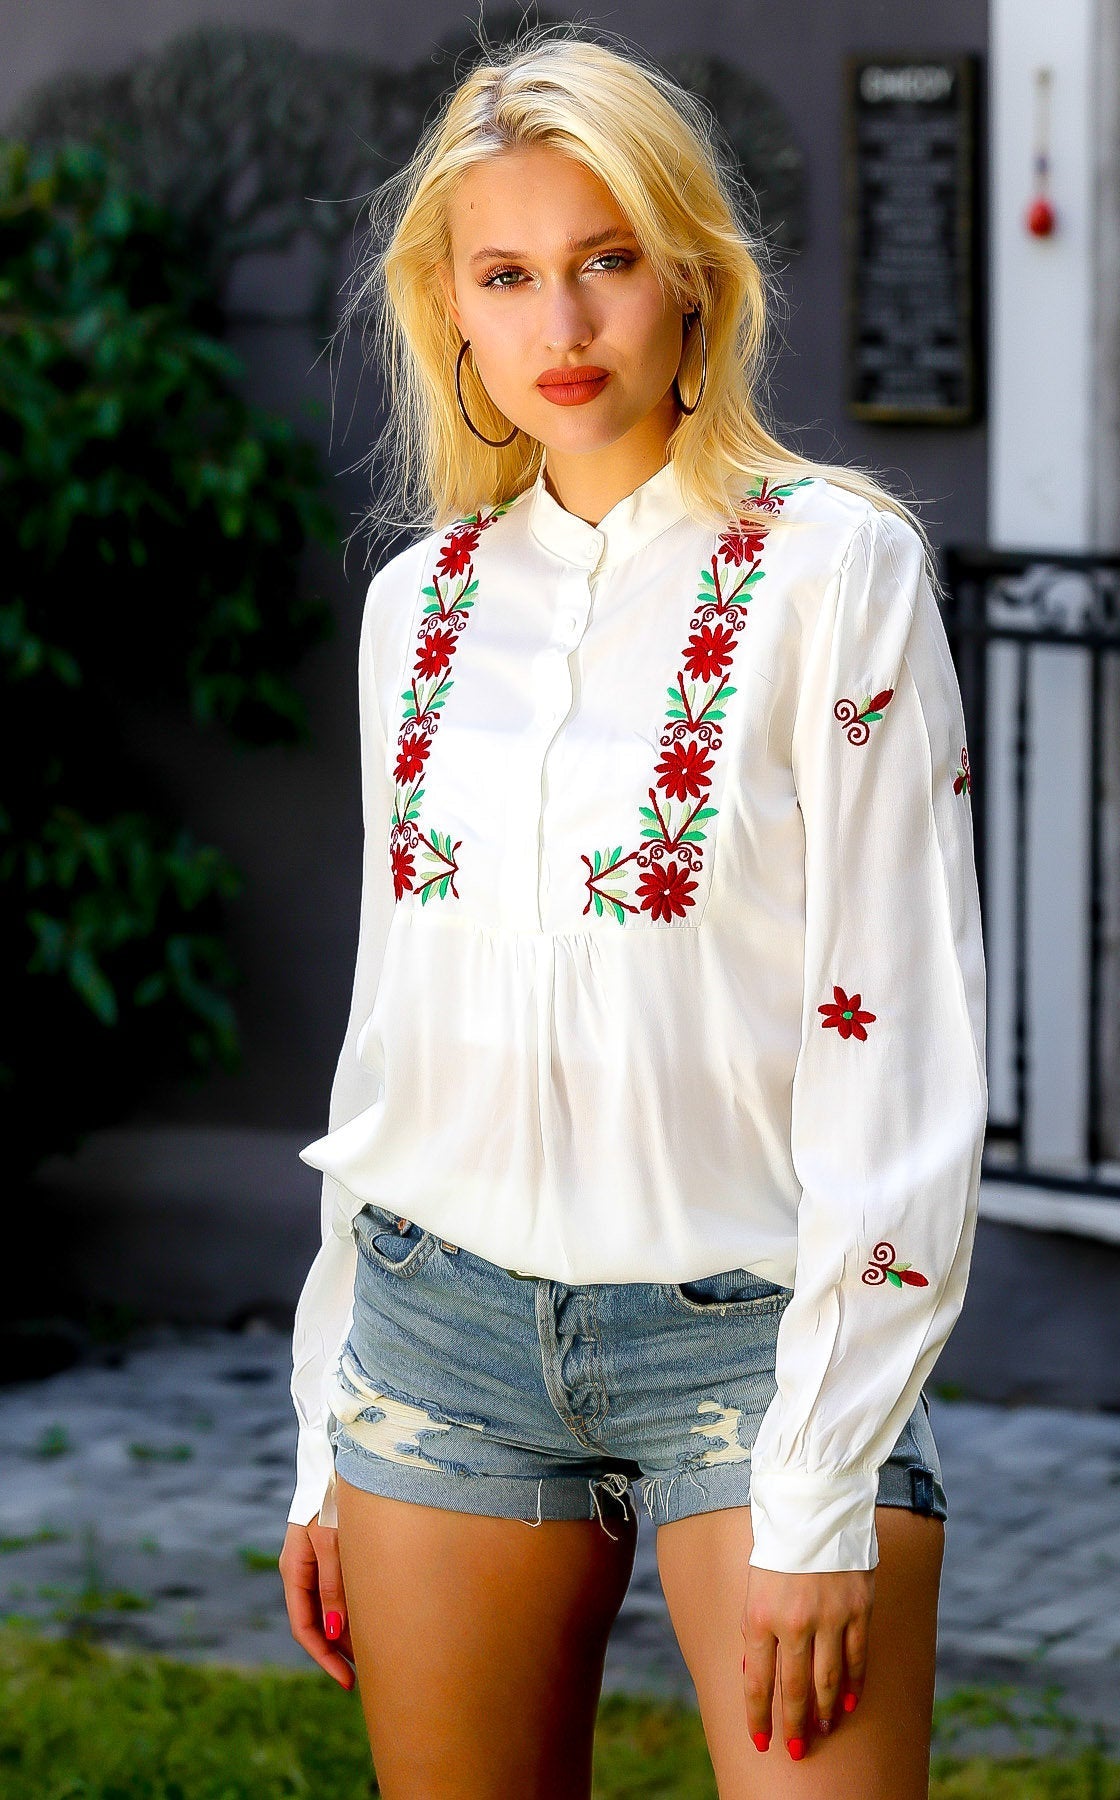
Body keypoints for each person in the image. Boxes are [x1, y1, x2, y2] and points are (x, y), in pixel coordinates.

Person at [278, 23, 987, 1800]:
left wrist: (824, 1482)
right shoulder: (420, 607)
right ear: (448, 308)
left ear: (690, 276)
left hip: (755, 1338)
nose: (563, 327)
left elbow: (900, 1035)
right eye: (507, 276)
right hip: (435, 1340)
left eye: (605, 262)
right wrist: (320, 1429)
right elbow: (394, 1036)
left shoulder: (836, 569)